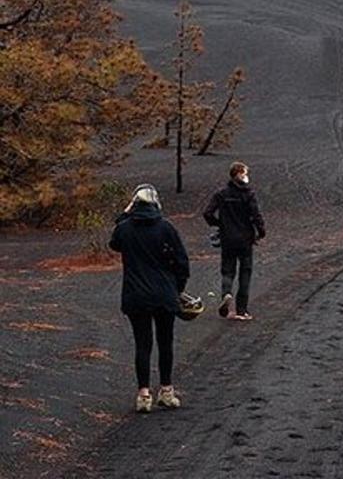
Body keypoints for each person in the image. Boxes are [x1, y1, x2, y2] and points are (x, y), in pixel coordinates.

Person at [109, 184, 190, 413]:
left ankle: (143, 394)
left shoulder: (125, 229)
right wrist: (178, 288)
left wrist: (124, 214)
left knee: (142, 344)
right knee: (166, 343)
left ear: (134, 203)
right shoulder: (166, 228)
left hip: (136, 295)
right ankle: (166, 390)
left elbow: (114, 243)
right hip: (164, 294)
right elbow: (182, 262)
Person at [203, 162, 265, 321]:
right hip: (245, 239)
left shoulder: (221, 194)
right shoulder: (248, 194)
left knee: (228, 269)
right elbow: (256, 215)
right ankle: (241, 309)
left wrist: (219, 224)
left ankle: (226, 293)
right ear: (239, 174)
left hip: (227, 238)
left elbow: (207, 213)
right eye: (244, 173)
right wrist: (261, 231)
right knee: (245, 272)